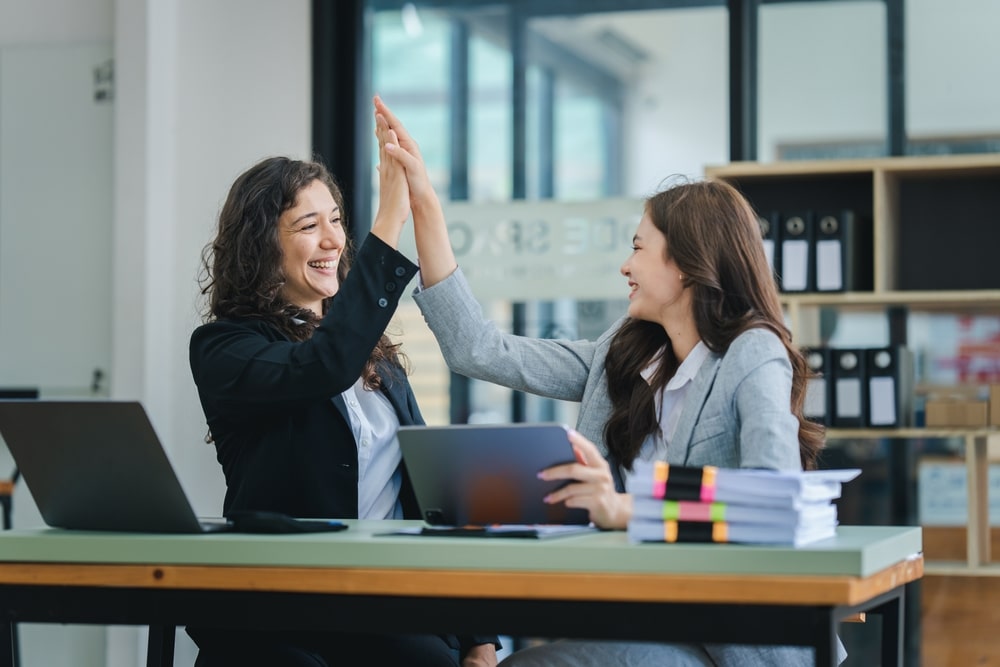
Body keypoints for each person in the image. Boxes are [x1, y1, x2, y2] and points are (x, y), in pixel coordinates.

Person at [375, 96, 840, 666]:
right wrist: (425, 203)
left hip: (739, 648)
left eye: (638, 248)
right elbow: (479, 349)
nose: (625, 266)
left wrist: (626, 509)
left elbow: (773, 502)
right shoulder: (620, 359)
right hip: (648, 620)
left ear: (688, 264)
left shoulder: (752, 353)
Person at [187, 151, 498, 666]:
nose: (333, 240)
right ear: (262, 245)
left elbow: (431, 494)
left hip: (381, 604)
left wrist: (478, 636)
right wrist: (391, 215)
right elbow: (318, 367)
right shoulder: (225, 347)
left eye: (336, 220)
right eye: (309, 226)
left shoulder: (380, 364)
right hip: (279, 611)